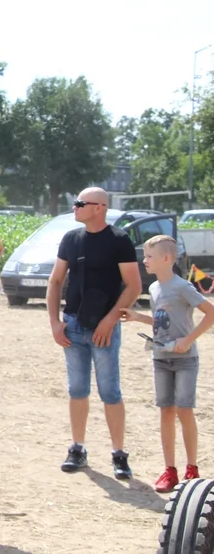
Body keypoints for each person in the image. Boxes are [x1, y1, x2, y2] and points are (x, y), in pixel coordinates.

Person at [47, 187, 142, 478]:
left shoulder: (119, 240)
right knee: (77, 390)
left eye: (79, 203)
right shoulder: (71, 239)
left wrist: (110, 320)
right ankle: (77, 448)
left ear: (99, 207)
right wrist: (54, 322)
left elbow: (134, 286)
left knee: (110, 392)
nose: (74, 207)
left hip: (104, 328)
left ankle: (118, 454)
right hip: (73, 325)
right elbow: (55, 282)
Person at [120, 235, 214, 492]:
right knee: (165, 411)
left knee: (184, 410)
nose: (145, 260)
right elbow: (161, 322)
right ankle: (169, 470)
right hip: (160, 359)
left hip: (185, 360)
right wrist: (139, 317)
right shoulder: (153, 289)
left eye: (149, 256)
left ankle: (192, 468)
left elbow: (211, 314)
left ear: (166, 258)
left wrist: (189, 339)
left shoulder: (183, 286)